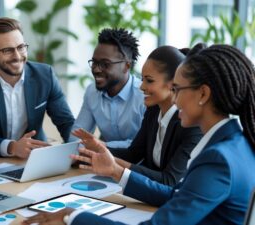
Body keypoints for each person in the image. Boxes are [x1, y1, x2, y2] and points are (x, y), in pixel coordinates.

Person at [24, 43, 255, 225]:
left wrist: (73, 217)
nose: (174, 99)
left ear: (203, 94)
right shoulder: (236, 143)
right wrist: (116, 171)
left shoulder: (218, 160)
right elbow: (177, 195)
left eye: (178, 90)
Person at [92, 46, 201, 185]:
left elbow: (170, 180)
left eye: (149, 80)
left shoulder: (191, 124)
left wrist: (115, 166)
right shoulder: (153, 111)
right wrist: (98, 149)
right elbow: (134, 154)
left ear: (174, 83)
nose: (141, 86)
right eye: (142, 79)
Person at [0, 17, 74, 159]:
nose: (17, 56)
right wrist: (12, 147)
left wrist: (77, 148)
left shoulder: (45, 75)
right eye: (8, 50)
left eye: (21, 47)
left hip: (35, 157)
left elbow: (66, 122)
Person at [69, 28, 145, 149]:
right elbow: (75, 136)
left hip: (137, 165)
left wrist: (101, 145)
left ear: (126, 66)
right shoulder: (92, 92)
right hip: (103, 163)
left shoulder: (144, 95)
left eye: (105, 64)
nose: (96, 69)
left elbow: (142, 145)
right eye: (94, 62)